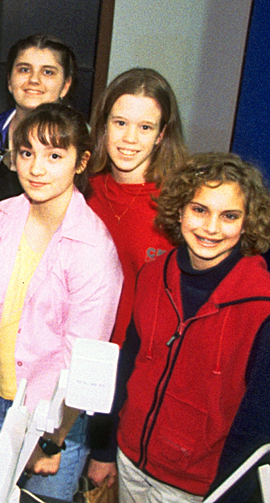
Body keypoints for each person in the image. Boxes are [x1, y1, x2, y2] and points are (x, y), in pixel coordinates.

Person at [0, 103, 123, 500]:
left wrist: (52, 440)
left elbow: (82, 361)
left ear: (81, 162)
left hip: (54, 419)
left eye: (54, 155)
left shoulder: (93, 249)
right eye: (27, 153)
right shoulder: (2, 217)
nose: (36, 168)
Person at [87, 153, 270, 503]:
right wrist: (105, 448)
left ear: (247, 223)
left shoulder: (261, 308)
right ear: (180, 210)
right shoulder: (154, 274)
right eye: (199, 209)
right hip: (129, 463)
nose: (211, 228)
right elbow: (129, 364)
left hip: (196, 488)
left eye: (229, 216)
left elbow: (257, 426)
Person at [85, 68, 188, 348]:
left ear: (161, 135)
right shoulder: (82, 190)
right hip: (81, 351)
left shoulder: (180, 204)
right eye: (120, 123)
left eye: (145, 127)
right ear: (104, 125)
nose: (130, 138)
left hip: (142, 356)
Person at [0, 34, 76, 224]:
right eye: (24, 69)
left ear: (65, 85)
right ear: (10, 81)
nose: (34, 80)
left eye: (48, 72)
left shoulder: (81, 141)